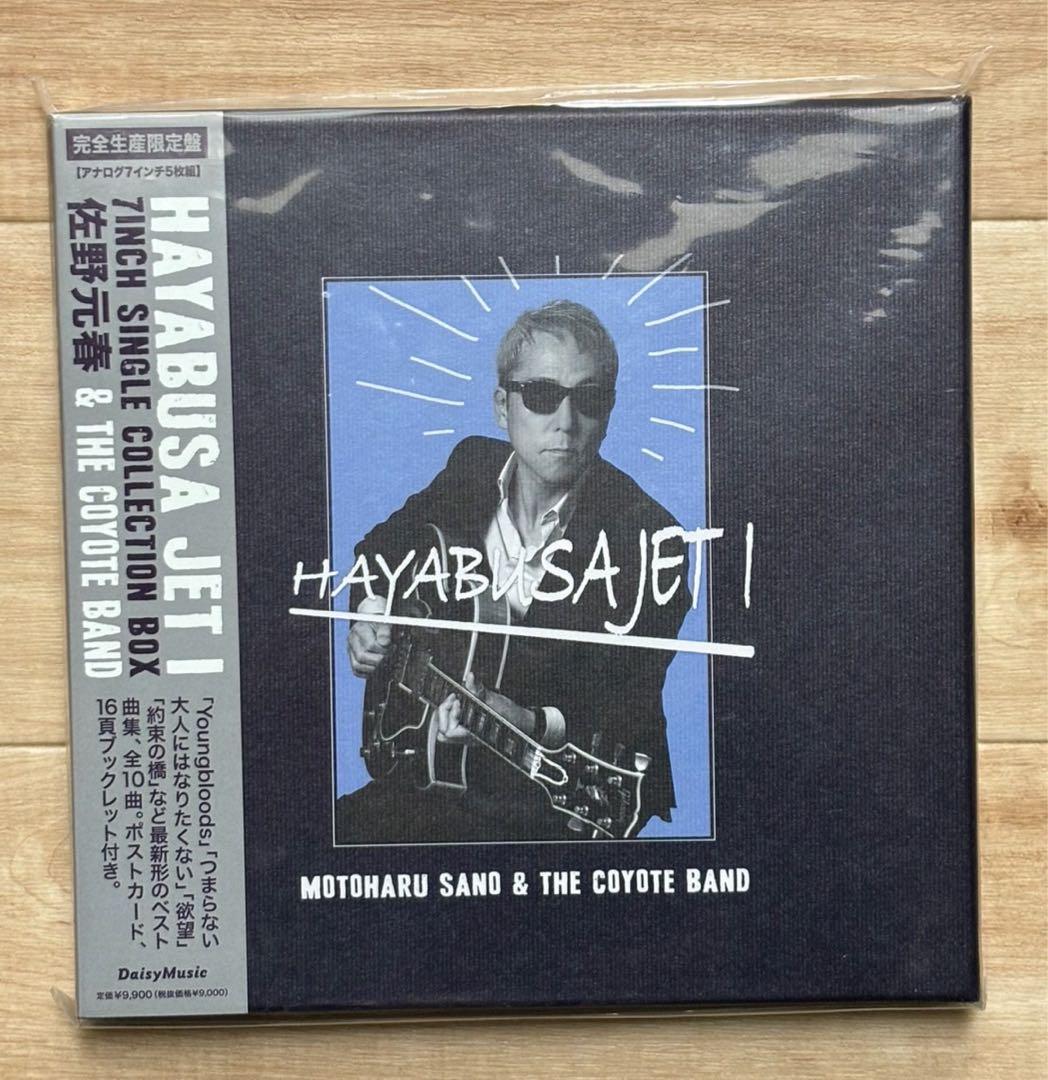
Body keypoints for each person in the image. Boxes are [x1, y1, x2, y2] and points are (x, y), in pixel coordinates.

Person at [335, 300, 690, 843]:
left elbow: (624, 710)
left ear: (609, 412)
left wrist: (524, 721)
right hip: (429, 768)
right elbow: (381, 551)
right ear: (503, 406)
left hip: (563, 800)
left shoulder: (649, 539)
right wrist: (369, 614)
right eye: (542, 395)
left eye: (589, 399)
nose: (565, 423)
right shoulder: (471, 466)